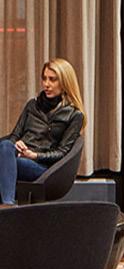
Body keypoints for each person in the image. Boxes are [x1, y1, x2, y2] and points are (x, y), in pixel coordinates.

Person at [0, 58, 86, 207]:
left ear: (64, 82)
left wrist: (34, 155)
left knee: (5, 161)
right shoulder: (32, 105)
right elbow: (15, 135)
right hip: (18, 157)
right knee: (6, 145)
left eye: (52, 79)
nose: (46, 84)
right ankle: (8, 206)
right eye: (44, 78)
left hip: (42, 167)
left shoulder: (74, 115)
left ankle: (7, 206)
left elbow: (62, 152)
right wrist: (17, 144)